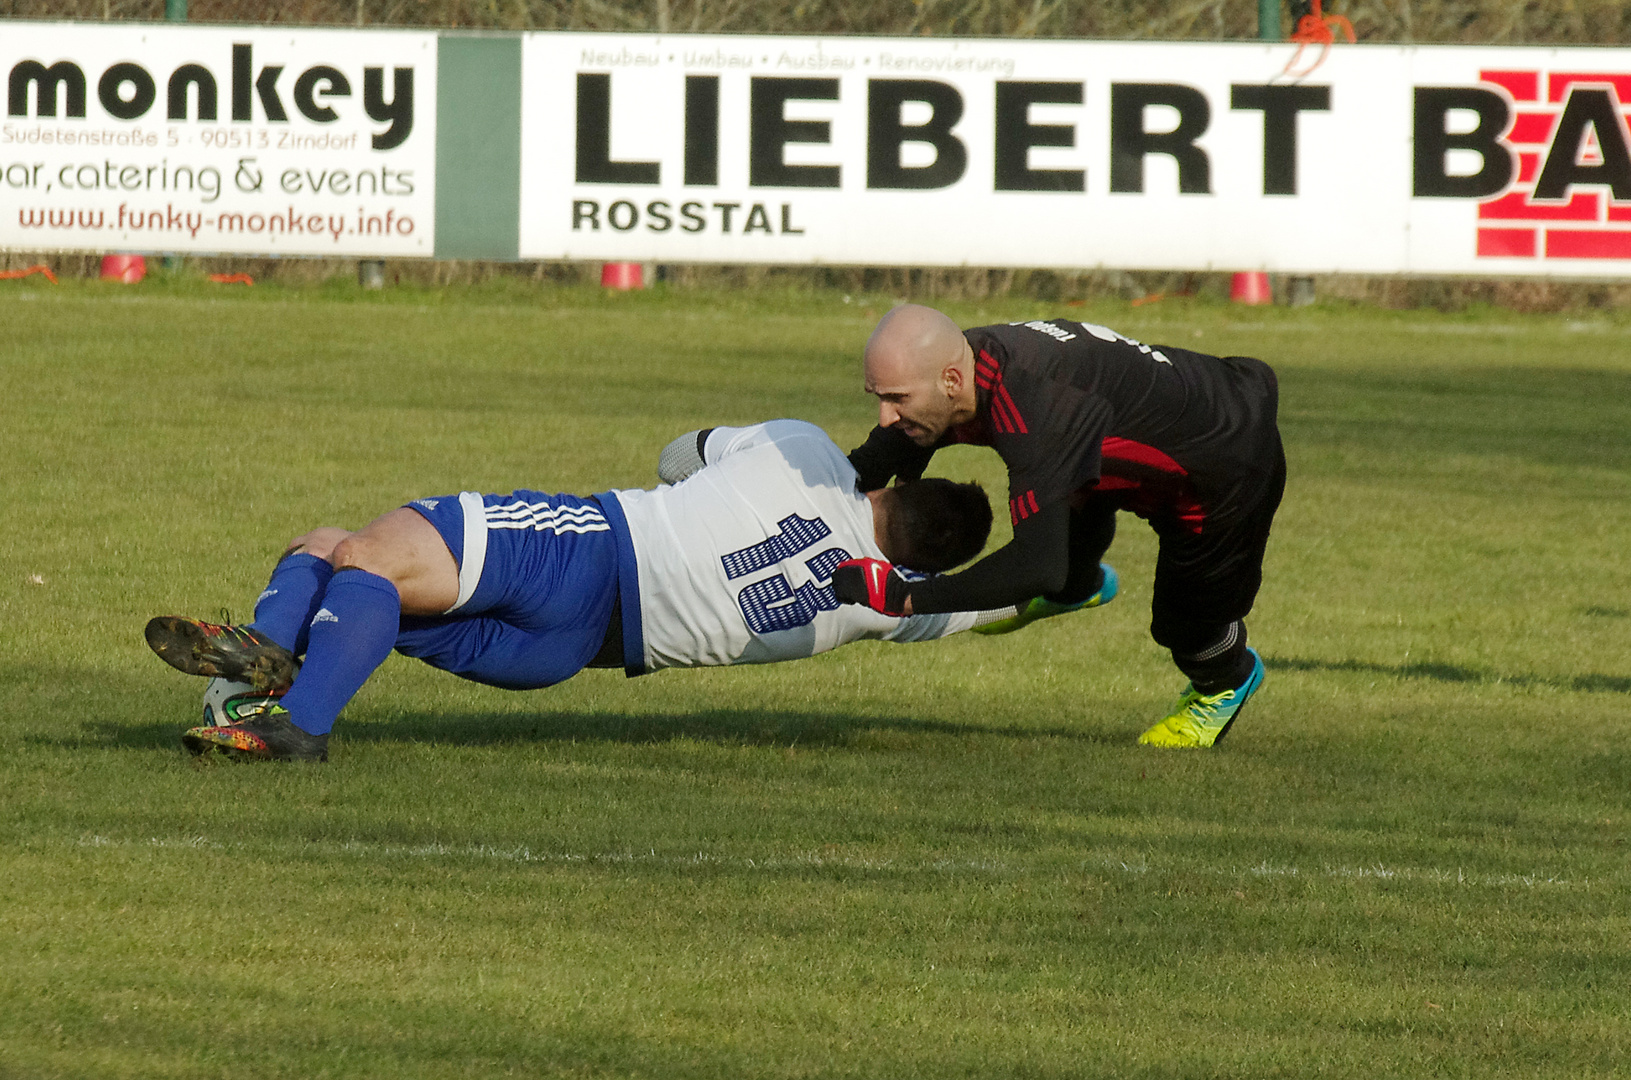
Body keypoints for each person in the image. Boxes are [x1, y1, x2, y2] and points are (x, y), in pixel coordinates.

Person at [146, 420, 1010, 762]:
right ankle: (275, 680)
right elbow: (1013, 596)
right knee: (351, 585)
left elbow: (678, 456)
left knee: (353, 550)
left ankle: (294, 712)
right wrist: (1077, 580)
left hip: (590, 553)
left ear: (897, 485)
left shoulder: (808, 453)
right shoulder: (888, 611)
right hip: (575, 654)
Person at [832, 305, 1285, 749]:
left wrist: (904, 597)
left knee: (1185, 627)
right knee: (1069, 533)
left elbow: (1036, 565)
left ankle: (1227, 680)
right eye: (879, 397)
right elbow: (872, 462)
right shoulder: (957, 370)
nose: (885, 417)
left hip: (1223, 466)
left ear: (951, 381)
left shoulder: (1035, 409)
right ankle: (1078, 589)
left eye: (897, 399)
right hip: (1124, 437)